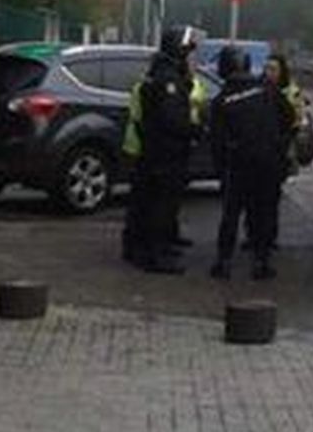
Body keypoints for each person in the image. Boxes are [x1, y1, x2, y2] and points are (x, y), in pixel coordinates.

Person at [120, 26, 201, 273]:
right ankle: (156, 256)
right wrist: (194, 129)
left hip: (153, 149)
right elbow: (172, 119)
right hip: (165, 152)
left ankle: (139, 248)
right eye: (187, 52)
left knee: (145, 200)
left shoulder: (159, 72)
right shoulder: (168, 80)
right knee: (160, 204)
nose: (190, 57)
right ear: (177, 51)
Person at [208, 46, 292, 280]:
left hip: (238, 164)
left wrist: (220, 170)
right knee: (262, 213)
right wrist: (276, 143)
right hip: (267, 162)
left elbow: (217, 141)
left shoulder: (221, 100)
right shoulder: (267, 90)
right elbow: (289, 117)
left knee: (231, 214)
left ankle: (223, 262)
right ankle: (261, 262)